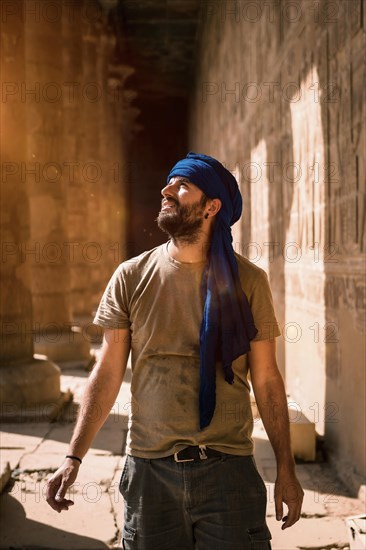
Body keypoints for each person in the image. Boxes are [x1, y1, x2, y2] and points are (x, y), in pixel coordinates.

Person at [46, 152, 304, 549]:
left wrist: (286, 466)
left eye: (182, 185)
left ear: (211, 207)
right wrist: (73, 457)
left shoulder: (249, 282)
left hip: (228, 472)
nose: (166, 190)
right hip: (150, 474)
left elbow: (267, 379)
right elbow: (108, 372)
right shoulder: (130, 276)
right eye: (169, 182)